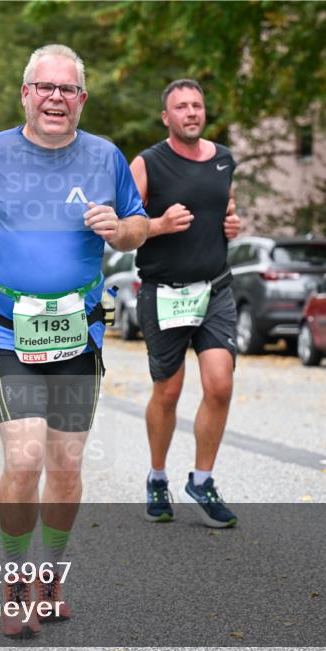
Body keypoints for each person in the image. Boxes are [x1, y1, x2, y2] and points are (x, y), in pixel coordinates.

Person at [0, 44, 148, 638]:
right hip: (8, 325)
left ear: (82, 99)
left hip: (80, 328)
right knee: (25, 455)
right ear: (26, 93)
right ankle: (14, 579)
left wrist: (121, 228)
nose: (57, 98)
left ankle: (51, 573)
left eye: (69, 90)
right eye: (46, 87)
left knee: (66, 461)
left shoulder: (106, 157)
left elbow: (136, 225)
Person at [129, 78, 243, 527]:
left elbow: (226, 206)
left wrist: (233, 224)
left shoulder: (224, 159)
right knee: (169, 391)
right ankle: (158, 476)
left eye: (197, 105)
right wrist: (158, 224)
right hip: (164, 292)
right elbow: (125, 227)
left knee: (220, 385)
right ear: (166, 117)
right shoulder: (148, 163)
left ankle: (202, 479)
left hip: (214, 287)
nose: (191, 112)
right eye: (181, 107)